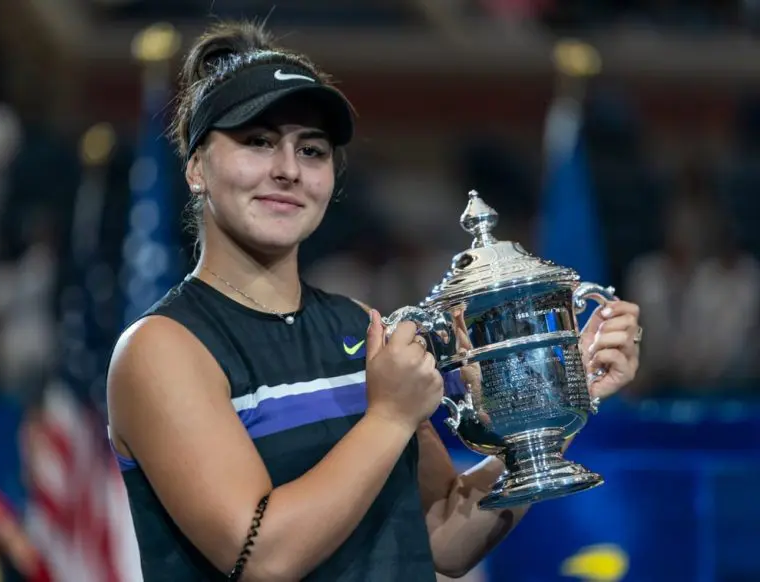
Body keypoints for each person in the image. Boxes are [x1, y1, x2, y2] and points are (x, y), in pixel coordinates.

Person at [106, 20, 642, 582]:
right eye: (257, 141)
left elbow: (444, 540)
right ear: (196, 168)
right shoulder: (161, 349)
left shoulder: (361, 327)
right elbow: (260, 555)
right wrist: (388, 416)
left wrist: (554, 402)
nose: (287, 169)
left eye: (310, 150)